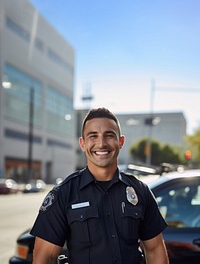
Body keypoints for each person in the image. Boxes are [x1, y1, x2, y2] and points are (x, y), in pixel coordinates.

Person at [31, 107, 169, 264]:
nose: (101, 143)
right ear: (82, 144)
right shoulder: (63, 194)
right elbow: (44, 258)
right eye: (93, 136)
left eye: (109, 136)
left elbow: (155, 250)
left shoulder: (140, 191)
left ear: (121, 142)